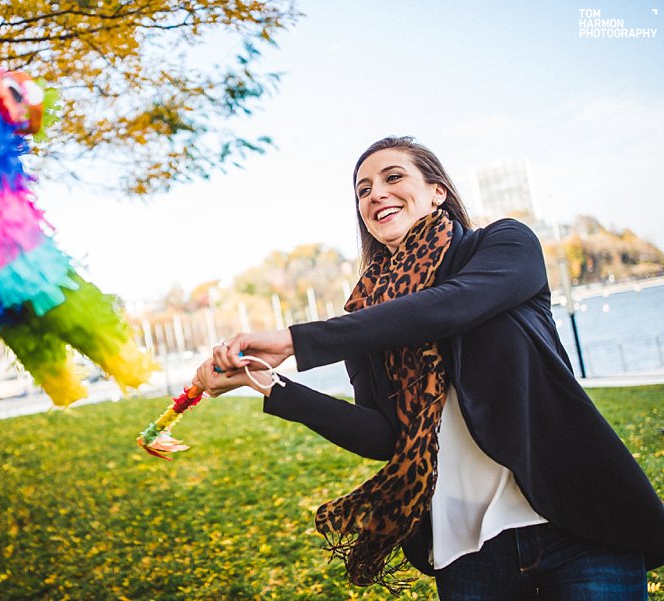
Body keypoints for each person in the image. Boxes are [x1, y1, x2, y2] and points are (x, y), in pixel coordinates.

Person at [193, 136, 664, 599]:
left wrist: (296, 341)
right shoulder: (363, 317)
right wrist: (269, 384)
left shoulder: (503, 244)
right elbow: (384, 437)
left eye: (393, 177)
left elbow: (450, 306)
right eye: (363, 190)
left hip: (578, 519)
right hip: (469, 551)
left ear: (437, 191)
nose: (376, 194)